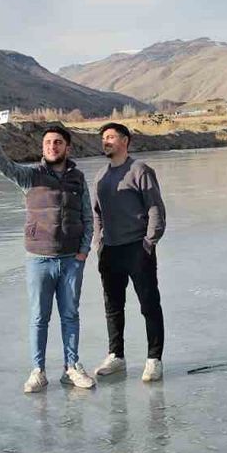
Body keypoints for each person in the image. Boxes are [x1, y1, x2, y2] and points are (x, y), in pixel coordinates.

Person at [0, 112, 97, 393]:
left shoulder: (77, 178)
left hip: (71, 260)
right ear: (42, 147)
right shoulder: (30, 176)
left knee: (70, 315)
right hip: (39, 259)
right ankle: (38, 371)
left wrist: (83, 252)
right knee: (39, 318)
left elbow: (87, 216)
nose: (52, 147)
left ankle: (71, 368)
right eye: (47, 143)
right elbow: (4, 167)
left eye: (58, 142)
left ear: (67, 147)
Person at [91, 122, 166, 382]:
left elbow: (155, 208)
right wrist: (98, 243)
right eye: (104, 138)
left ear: (125, 141)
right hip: (110, 250)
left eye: (111, 137)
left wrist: (149, 242)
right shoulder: (101, 176)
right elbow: (96, 213)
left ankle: (154, 359)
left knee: (149, 304)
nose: (106, 141)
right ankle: (116, 356)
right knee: (113, 306)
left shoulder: (140, 170)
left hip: (137, 247)